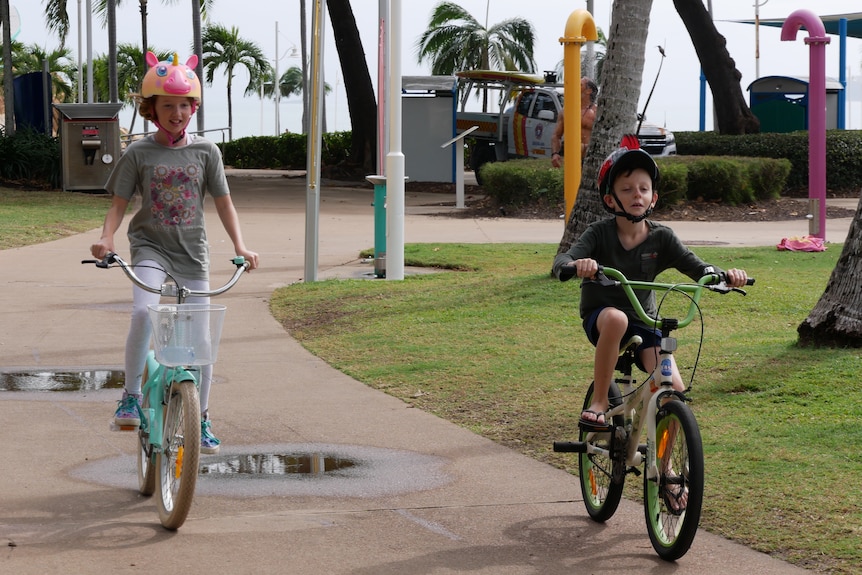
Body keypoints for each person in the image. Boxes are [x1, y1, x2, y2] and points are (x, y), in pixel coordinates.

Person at [90, 52, 259, 455]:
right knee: (141, 312)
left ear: (194, 108)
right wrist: (107, 238)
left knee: (202, 340)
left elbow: (223, 203)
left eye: (185, 105)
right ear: (152, 110)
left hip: (192, 254)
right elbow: (118, 204)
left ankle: (200, 416)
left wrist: (240, 246)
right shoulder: (138, 153)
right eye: (168, 105)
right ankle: (130, 396)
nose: (177, 112)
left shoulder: (207, 153)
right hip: (150, 247)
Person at [552, 135, 748, 431]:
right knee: (616, 318)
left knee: (674, 393)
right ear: (610, 199)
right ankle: (600, 401)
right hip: (603, 319)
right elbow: (562, 261)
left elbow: (698, 267)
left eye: (644, 189)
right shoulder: (598, 234)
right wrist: (577, 265)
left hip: (645, 323)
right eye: (627, 189)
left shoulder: (662, 237)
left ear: (654, 198)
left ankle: (666, 469)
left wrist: (725, 276)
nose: (637, 195)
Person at [551, 77, 598, 168]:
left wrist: (585, 147)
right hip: (572, 160)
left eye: (579, 85)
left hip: (592, 160)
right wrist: (555, 153)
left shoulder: (597, 112)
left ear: (588, 91)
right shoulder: (566, 111)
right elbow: (556, 135)